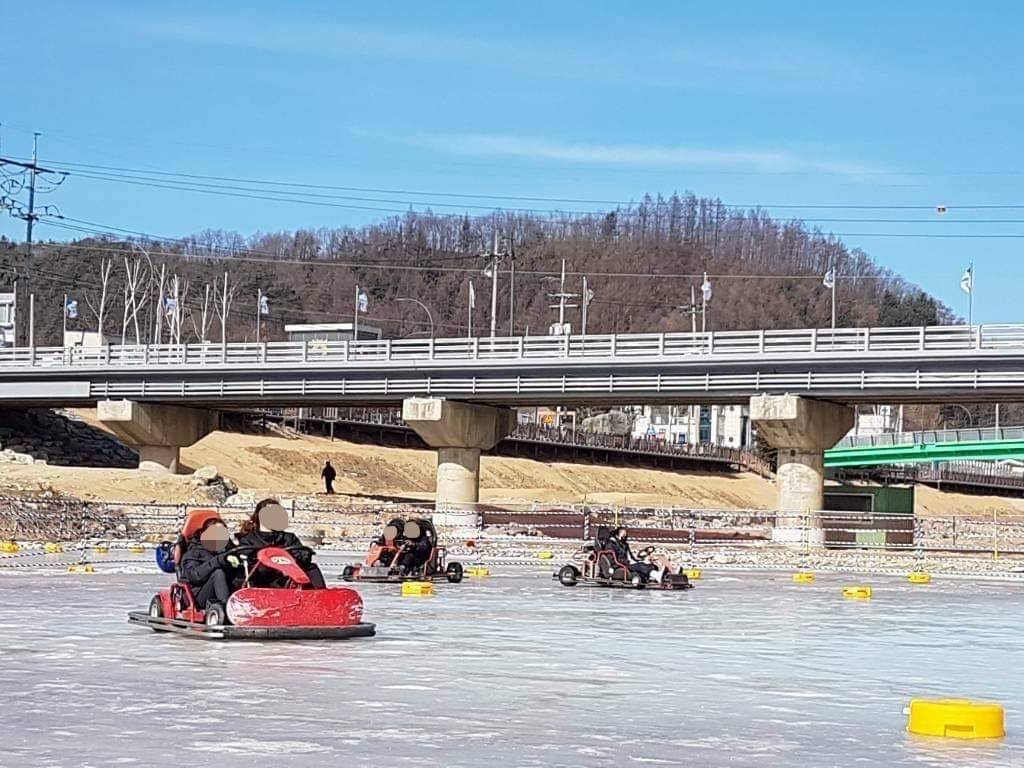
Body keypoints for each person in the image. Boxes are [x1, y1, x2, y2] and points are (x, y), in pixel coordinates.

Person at [236, 498, 327, 589]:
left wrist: (294, 558)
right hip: (263, 578)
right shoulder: (249, 539)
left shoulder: (288, 538)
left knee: (311, 567)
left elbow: (302, 555)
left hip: (289, 576)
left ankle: (320, 595)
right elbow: (244, 558)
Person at [180, 516, 241, 610]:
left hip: (227, 593)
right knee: (218, 573)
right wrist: (218, 561)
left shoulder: (228, 552)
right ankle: (227, 608)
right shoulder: (194, 553)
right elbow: (195, 576)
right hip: (197, 597)